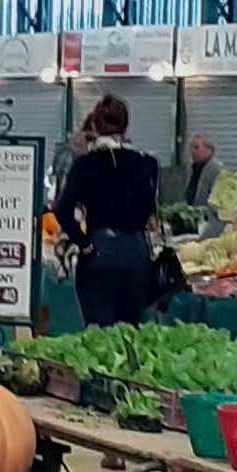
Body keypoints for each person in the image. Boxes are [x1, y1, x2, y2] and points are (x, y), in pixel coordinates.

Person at [55, 92, 160, 329]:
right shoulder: (144, 163)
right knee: (129, 332)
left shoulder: (85, 165)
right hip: (136, 253)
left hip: (100, 252)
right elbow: (149, 209)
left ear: (94, 126)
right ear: (125, 125)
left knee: (99, 333)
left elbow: (62, 209)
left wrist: (83, 243)